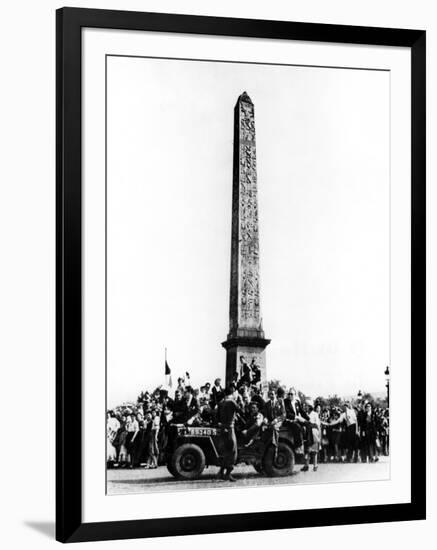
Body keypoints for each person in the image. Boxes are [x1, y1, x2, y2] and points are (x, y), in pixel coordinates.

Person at [216, 386, 242, 481]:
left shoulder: (221, 402)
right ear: (233, 392)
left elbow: (217, 416)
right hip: (230, 428)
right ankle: (228, 474)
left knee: (225, 451)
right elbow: (241, 410)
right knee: (233, 451)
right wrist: (240, 399)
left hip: (223, 428)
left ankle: (221, 472)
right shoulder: (232, 401)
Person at [301, 399, 321, 472]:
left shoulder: (315, 414)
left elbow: (318, 425)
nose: (305, 407)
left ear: (310, 406)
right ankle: (306, 465)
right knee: (307, 450)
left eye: (306, 406)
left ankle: (315, 465)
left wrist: (319, 436)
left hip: (314, 432)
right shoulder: (305, 414)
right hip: (307, 432)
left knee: (314, 450)